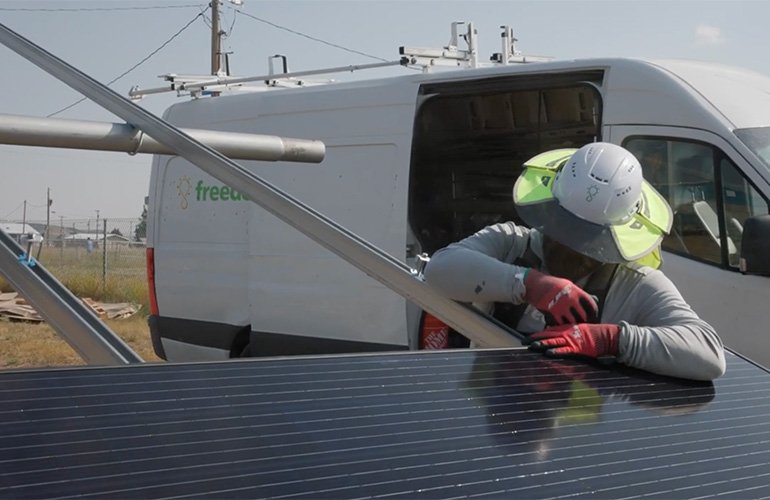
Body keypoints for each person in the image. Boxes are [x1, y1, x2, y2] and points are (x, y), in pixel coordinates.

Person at [423, 142, 725, 381]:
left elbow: (708, 353)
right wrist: (527, 282)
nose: (571, 249)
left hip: (579, 442)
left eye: (588, 242)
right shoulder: (510, 243)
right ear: (550, 212)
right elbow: (439, 270)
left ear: (615, 237)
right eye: (564, 231)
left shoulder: (634, 284)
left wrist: (610, 339)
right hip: (488, 422)